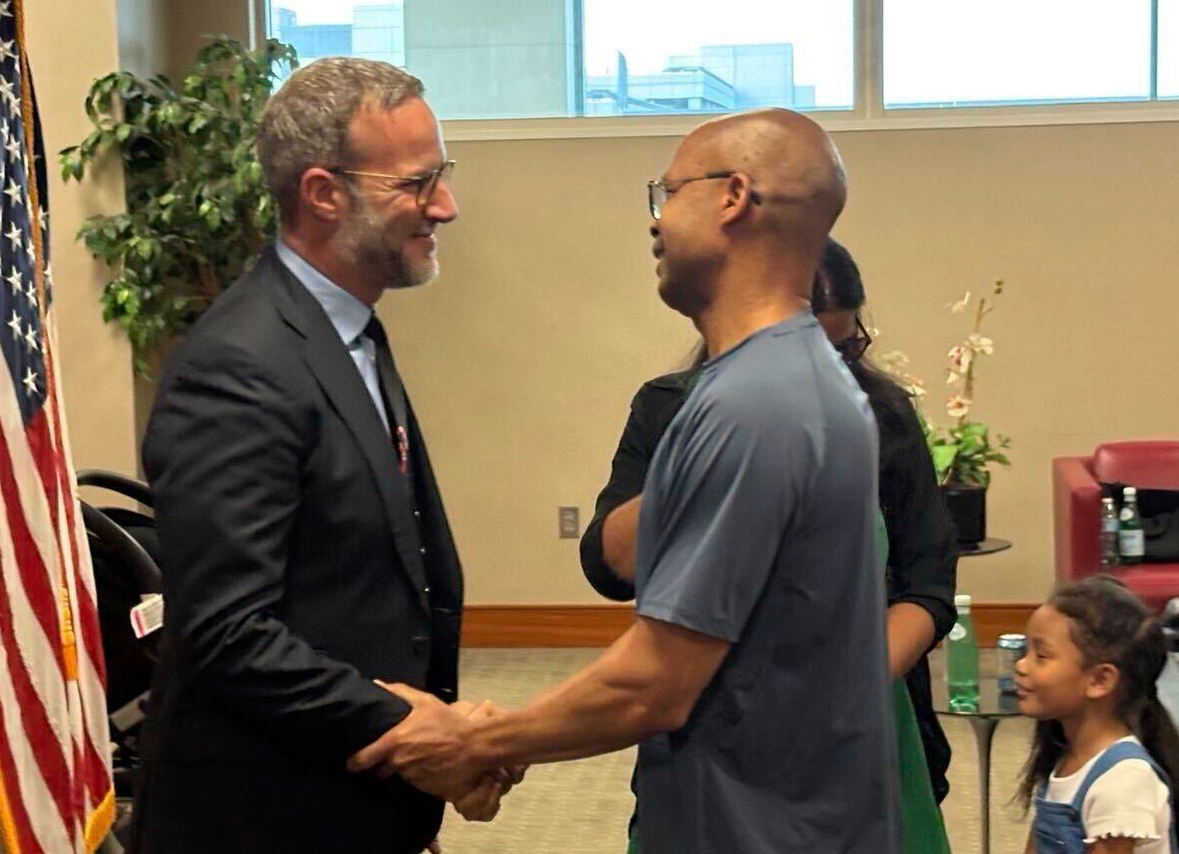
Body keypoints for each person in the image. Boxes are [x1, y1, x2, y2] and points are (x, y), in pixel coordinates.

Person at [350, 108, 899, 853]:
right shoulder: (788, 382)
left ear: (733, 197)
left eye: (666, 194)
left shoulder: (758, 405)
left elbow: (654, 682)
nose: (655, 223)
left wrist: (479, 742)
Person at [130, 57, 505, 854]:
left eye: (442, 175)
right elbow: (228, 632)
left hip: (353, 805)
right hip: (262, 819)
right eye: (417, 183)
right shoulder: (239, 362)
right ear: (323, 193)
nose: (446, 205)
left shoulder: (347, 330)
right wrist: (414, 732)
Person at [580, 238, 957, 853]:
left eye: (846, 350)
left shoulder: (883, 416)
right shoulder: (669, 409)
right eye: (809, 353)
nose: (827, 376)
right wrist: (714, 450)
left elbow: (928, 580)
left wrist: (838, 691)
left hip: (862, 721)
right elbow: (609, 566)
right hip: (715, 727)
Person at [1016, 575, 1179, 854]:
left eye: (1041, 656)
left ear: (1100, 680)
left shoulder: (1122, 782)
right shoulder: (1066, 755)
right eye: (1025, 650)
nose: (1021, 665)